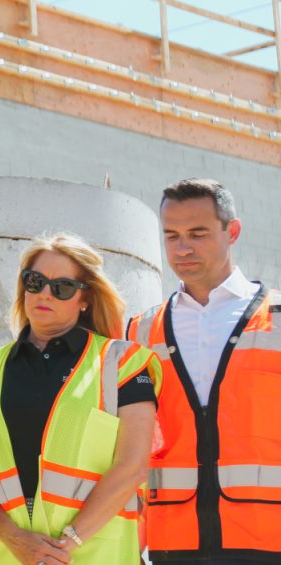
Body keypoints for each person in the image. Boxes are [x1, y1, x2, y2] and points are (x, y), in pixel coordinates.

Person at [0, 233, 158, 564]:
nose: (44, 294)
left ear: (85, 299)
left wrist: (63, 547)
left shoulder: (124, 363)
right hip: (3, 554)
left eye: (62, 287)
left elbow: (132, 466)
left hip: (92, 554)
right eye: (34, 281)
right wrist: (15, 539)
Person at [127, 179, 281, 563]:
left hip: (269, 540)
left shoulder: (276, 320)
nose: (183, 248)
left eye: (198, 233)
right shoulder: (139, 332)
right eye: (171, 235)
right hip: (172, 542)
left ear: (233, 231)